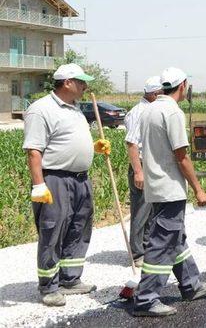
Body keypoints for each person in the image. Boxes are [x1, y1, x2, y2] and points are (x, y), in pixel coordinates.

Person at [133, 67, 206, 317]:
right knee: (162, 242)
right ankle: (146, 299)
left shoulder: (149, 110)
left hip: (156, 185)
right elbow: (181, 156)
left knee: (175, 237)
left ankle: (191, 285)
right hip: (169, 187)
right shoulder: (172, 112)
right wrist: (199, 189)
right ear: (184, 86)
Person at [22, 63, 109, 306]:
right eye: (81, 81)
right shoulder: (42, 110)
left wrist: (93, 148)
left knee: (78, 227)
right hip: (55, 179)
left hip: (80, 178)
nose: (85, 86)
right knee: (53, 230)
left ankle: (69, 279)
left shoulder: (75, 109)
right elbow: (34, 151)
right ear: (67, 82)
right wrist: (39, 185)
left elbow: (67, 143)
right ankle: (49, 287)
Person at [123, 75, 163, 267]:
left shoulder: (151, 110)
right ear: (155, 94)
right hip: (141, 166)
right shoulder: (139, 113)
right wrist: (138, 172)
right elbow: (131, 144)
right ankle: (138, 252)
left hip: (151, 166)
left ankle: (147, 247)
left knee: (151, 210)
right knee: (140, 210)